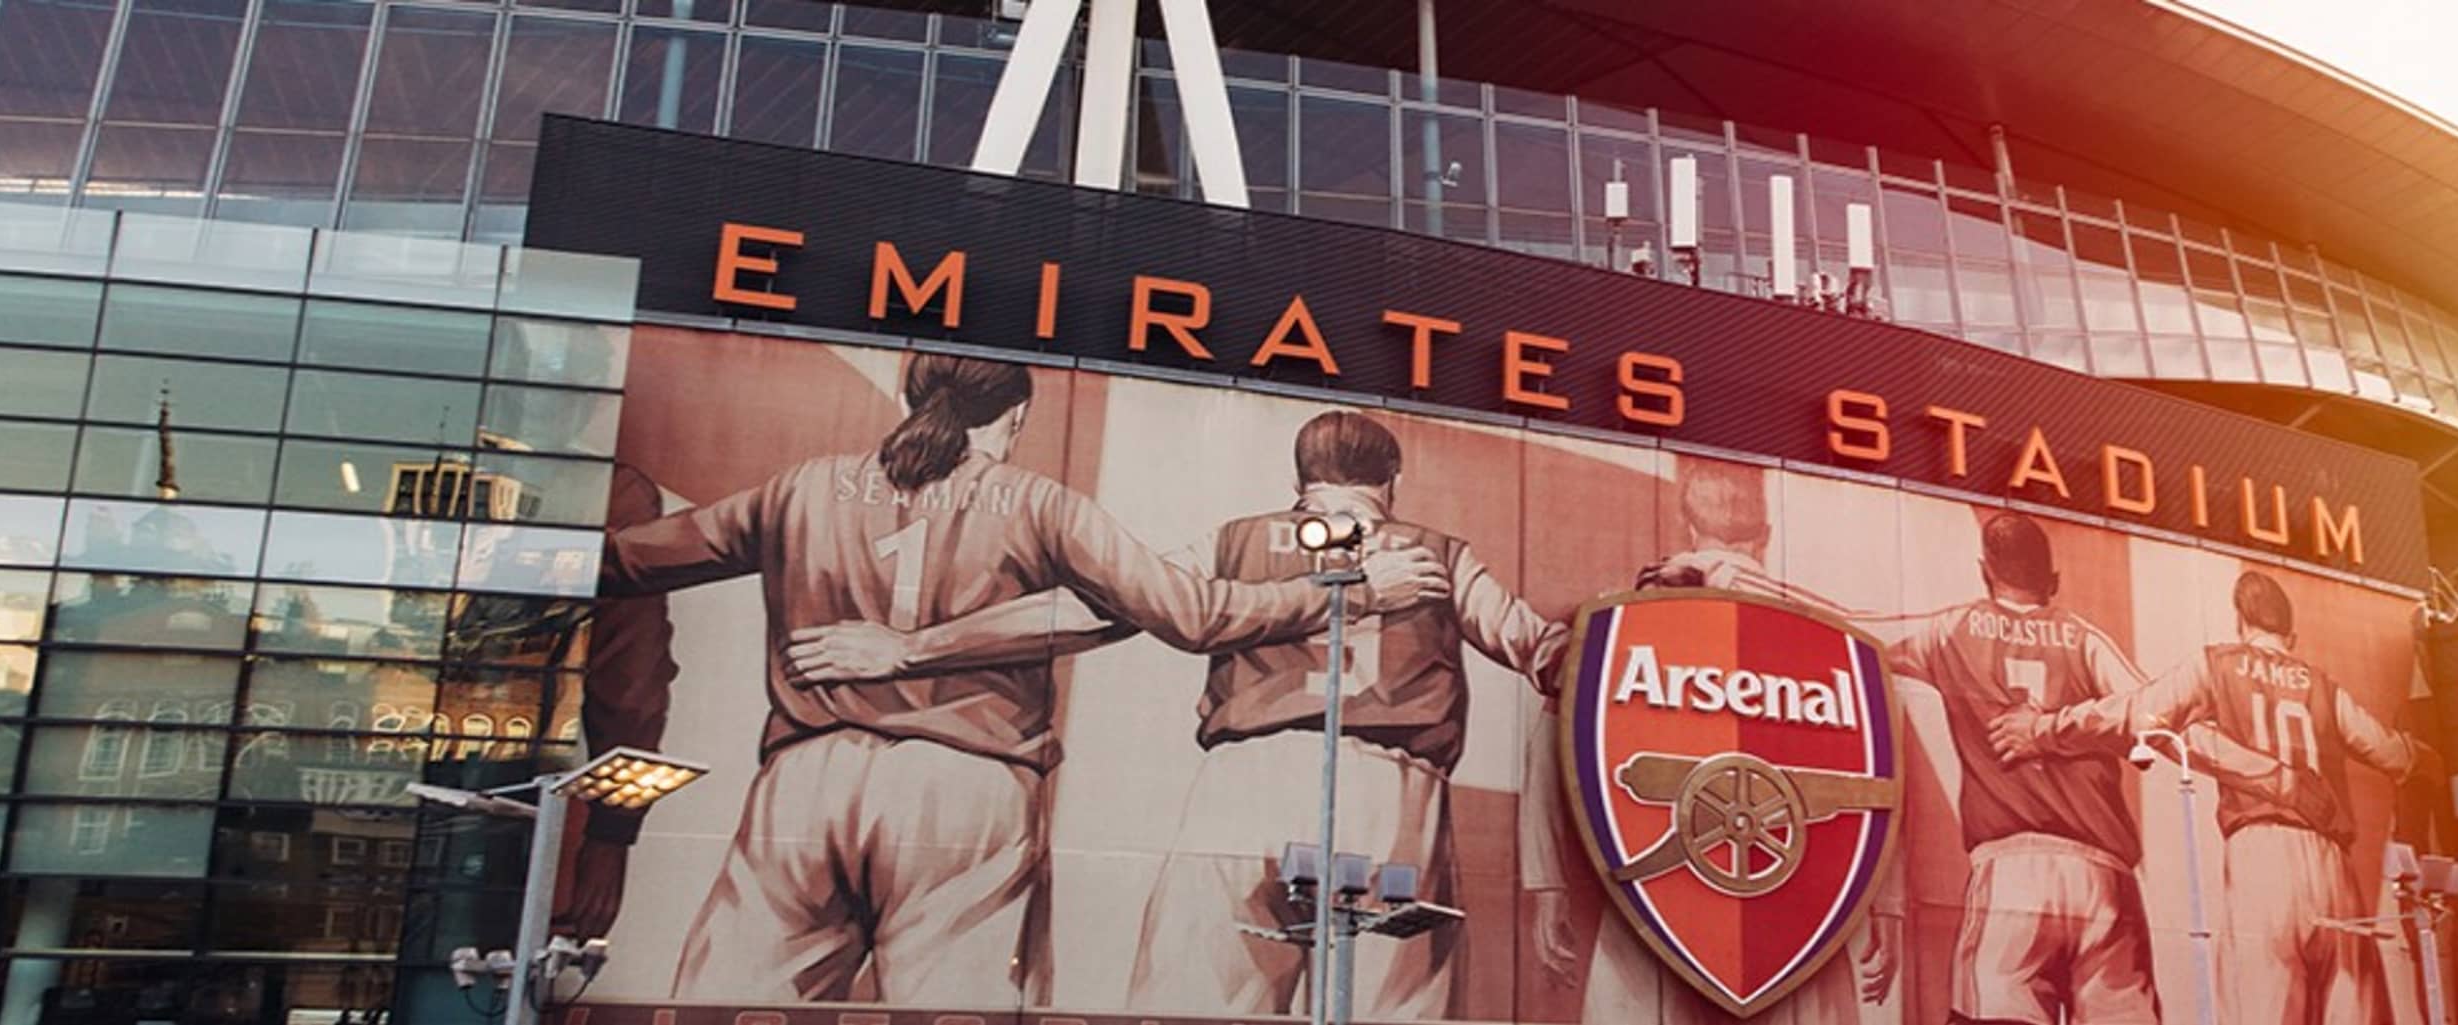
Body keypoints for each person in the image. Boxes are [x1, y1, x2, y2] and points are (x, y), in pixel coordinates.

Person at [597, 353, 1445, 1007]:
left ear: (907, 402)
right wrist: (1354, 590)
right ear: (1017, 417)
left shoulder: (801, 489)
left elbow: (627, 562)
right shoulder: (1041, 504)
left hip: (801, 782)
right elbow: (1194, 614)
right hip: (966, 787)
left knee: (731, 1007)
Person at [1115, 409, 1570, 1018]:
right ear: (1392, 482)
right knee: (1393, 1007)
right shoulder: (1438, 553)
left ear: (1301, 480)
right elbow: (1542, 649)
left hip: (1243, 781)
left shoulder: (1233, 540)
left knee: (1195, 1005)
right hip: (1391, 790)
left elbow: (1141, 597)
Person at [1539, 460, 1904, 1024]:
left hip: (1648, 909)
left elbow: (1552, 740)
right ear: (1767, 535)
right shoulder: (1826, 634)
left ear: (1687, 526)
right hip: (1805, 921)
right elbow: (1885, 774)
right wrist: (1891, 906)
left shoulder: (1612, 625)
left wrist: (1547, 885)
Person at [1862, 513, 2161, 1025]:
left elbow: (1854, 627)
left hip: (2013, 869)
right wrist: (2065, 728)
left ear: (1985, 572)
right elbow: (2151, 717)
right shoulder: (2085, 639)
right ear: (2055, 580)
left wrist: (1727, 577)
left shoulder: (1949, 630)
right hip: (2105, 873)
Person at [2143, 571, 2418, 1025]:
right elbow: (2386, 750)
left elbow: (2154, 723)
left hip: (2261, 853)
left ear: (2240, 622)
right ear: (2291, 635)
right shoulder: (2320, 684)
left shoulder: (2219, 663)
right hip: (2330, 861)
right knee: (2350, 1008)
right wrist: (2418, 752)